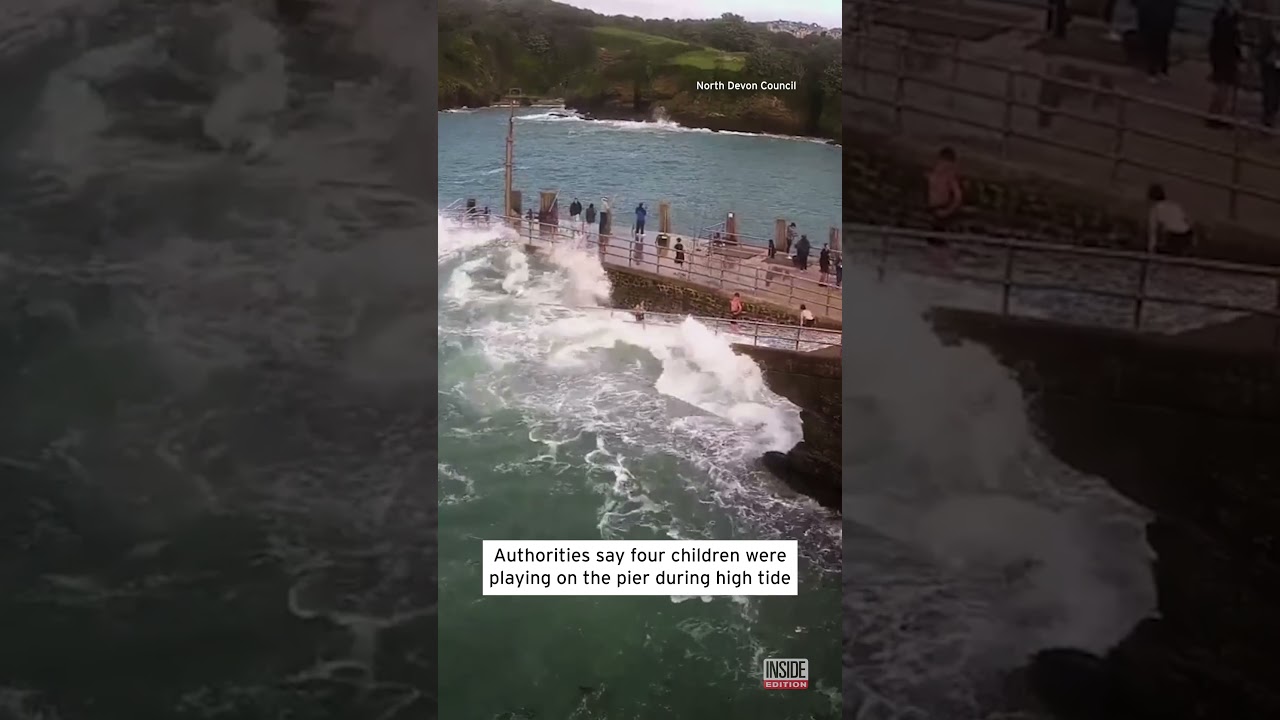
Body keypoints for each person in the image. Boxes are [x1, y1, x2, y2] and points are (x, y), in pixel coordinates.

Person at [1207, 1, 1241, 128]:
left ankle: (1218, 115)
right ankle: (1215, 115)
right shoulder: (1225, 20)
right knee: (1223, 86)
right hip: (1223, 55)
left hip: (1224, 54)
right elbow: (1227, 37)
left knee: (1225, 86)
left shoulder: (1225, 18)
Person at [926, 147, 963, 245]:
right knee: (930, 239)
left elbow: (958, 197)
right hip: (932, 210)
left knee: (939, 241)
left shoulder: (950, 176)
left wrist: (947, 211)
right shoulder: (934, 174)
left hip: (942, 210)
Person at [1146, 183, 1194, 254]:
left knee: (1165, 249)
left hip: (1173, 236)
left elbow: (1153, 231)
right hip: (1187, 234)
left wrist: (1151, 249)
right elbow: (1186, 221)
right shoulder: (1175, 205)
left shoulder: (1155, 209)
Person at [1260, 24, 1280, 127]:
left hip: (1274, 69)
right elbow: (1262, 54)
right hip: (1269, 69)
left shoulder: (1270, 37)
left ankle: (1270, 115)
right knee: (1270, 92)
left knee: (1274, 94)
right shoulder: (1270, 37)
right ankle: (1268, 116)